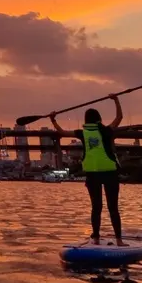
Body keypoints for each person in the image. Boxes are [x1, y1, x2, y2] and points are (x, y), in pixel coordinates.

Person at [50, 94, 125, 246]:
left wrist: (53, 120)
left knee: (96, 207)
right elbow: (119, 117)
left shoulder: (82, 133)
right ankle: (119, 240)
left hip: (92, 175)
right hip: (110, 173)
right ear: (99, 119)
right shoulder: (106, 131)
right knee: (113, 207)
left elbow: (62, 132)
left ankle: (96, 238)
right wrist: (116, 100)